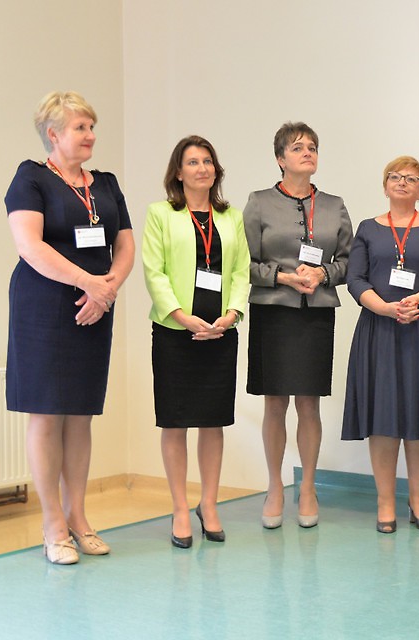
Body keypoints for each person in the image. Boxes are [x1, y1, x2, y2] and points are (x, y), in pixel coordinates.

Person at [5, 91, 134, 564]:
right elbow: (30, 246)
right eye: (81, 127)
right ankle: (52, 524)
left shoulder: (107, 184)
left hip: (96, 307)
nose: (90, 135)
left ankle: (78, 518)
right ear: (53, 134)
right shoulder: (31, 177)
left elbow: (125, 245)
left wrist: (107, 289)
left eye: (91, 127)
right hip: (44, 308)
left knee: (80, 415)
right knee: (47, 414)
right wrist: (89, 284)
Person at [342, 157, 419, 534]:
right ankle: (385, 502)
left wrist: (418, 299)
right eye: (395, 176)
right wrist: (385, 308)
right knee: (383, 418)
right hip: (379, 330)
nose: (402, 182)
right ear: (385, 185)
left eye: (411, 178)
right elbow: (355, 279)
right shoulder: (367, 229)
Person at [243, 122, 353, 529]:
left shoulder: (335, 206)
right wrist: (281, 277)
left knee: (309, 402)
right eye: (297, 147)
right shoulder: (258, 203)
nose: (307, 152)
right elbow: (243, 262)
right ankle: (275, 487)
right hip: (273, 311)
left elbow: (349, 261)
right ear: (280, 158)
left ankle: (307, 487)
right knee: (275, 402)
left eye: (312, 147)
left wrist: (323, 274)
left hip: (315, 313)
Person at [142, 136, 250, 548]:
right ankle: (179, 508)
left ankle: (209, 504)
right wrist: (183, 318)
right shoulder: (161, 214)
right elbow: (154, 272)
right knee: (175, 422)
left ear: (215, 170)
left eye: (208, 161)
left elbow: (240, 271)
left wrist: (231, 314)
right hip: (175, 333)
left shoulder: (231, 217)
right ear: (178, 172)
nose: (202, 168)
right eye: (193, 162)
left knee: (212, 421)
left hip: (220, 333)